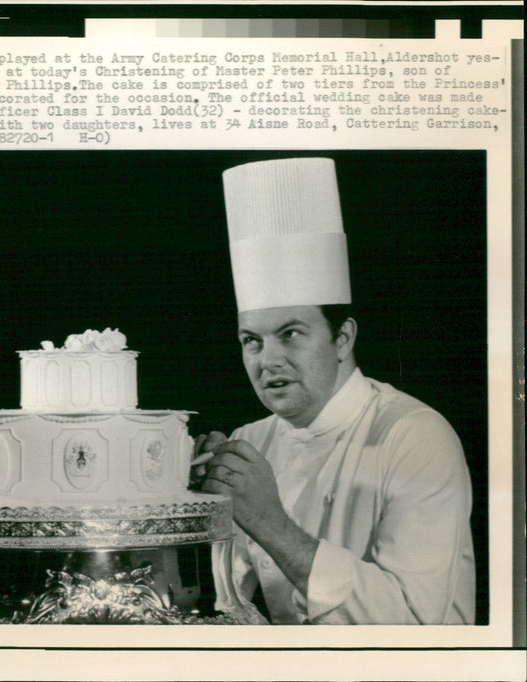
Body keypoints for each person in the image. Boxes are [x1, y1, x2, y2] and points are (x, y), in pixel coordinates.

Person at [193, 158, 475, 624]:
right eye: (252, 341)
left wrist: (267, 521)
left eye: (291, 333)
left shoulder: (415, 435)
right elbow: (227, 603)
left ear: (342, 339)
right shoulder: (252, 439)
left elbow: (412, 623)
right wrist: (198, 508)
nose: (268, 360)